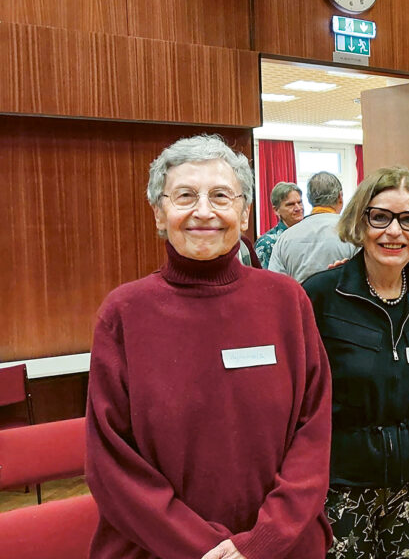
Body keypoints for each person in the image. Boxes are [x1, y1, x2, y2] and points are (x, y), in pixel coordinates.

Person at [85, 135, 333, 559]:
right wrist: (208, 549)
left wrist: (260, 543)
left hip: (280, 547)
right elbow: (112, 462)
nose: (203, 211)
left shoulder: (288, 301)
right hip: (159, 550)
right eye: (185, 196)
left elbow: (314, 433)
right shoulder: (124, 312)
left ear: (245, 211)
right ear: (159, 214)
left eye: (221, 195)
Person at [303, 166, 409, 559]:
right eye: (380, 217)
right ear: (360, 221)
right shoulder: (321, 296)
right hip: (340, 484)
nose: (394, 232)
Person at [269, 171, 357, 284]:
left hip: (299, 300)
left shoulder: (284, 239)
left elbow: (275, 285)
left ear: (308, 199)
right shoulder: (354, 233)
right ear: (340, 197)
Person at [254, 181, 304, 267]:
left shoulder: (310, 235)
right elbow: (263, 278)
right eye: (290, 204)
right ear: (276, 210)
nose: (298, 208)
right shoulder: (267, 243)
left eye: (299, 202)